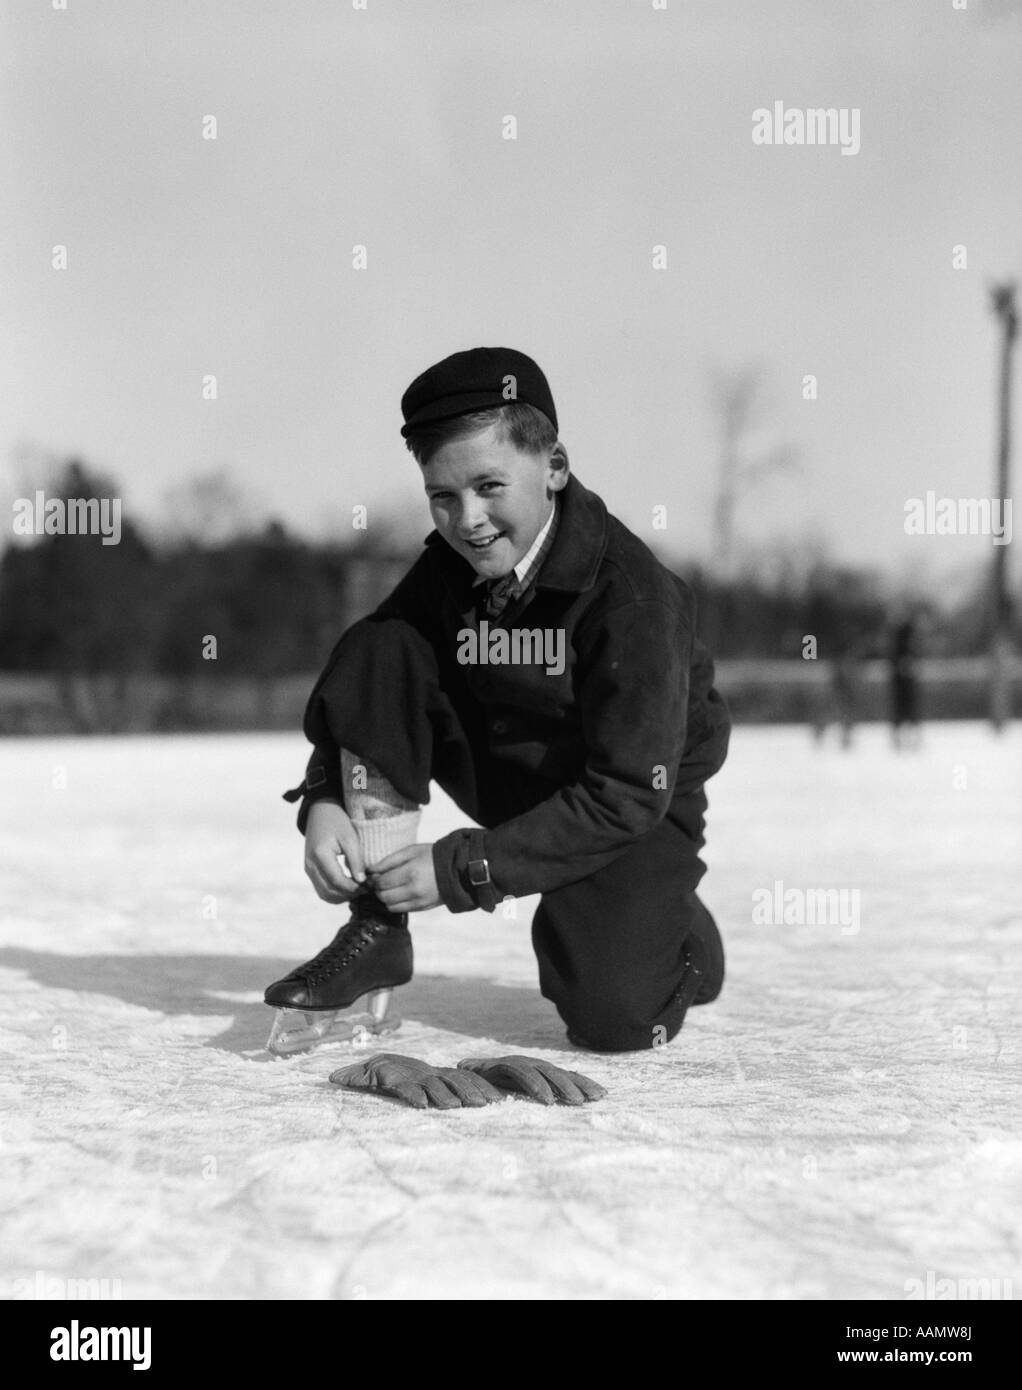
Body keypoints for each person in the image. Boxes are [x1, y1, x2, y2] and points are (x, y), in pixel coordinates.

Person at [266, 346, 731, 1089]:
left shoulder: (635, 599)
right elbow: (370, 681)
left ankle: (677, 928)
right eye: (442, 497)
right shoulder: (452, 565)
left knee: (612, 1018)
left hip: (631, 799)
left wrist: (458, 869)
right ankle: (376, 927)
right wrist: (326, 796)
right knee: (384, 644)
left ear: (553, 465)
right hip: (511, 761)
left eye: (488, 487)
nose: (468, 521)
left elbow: (627, 793)